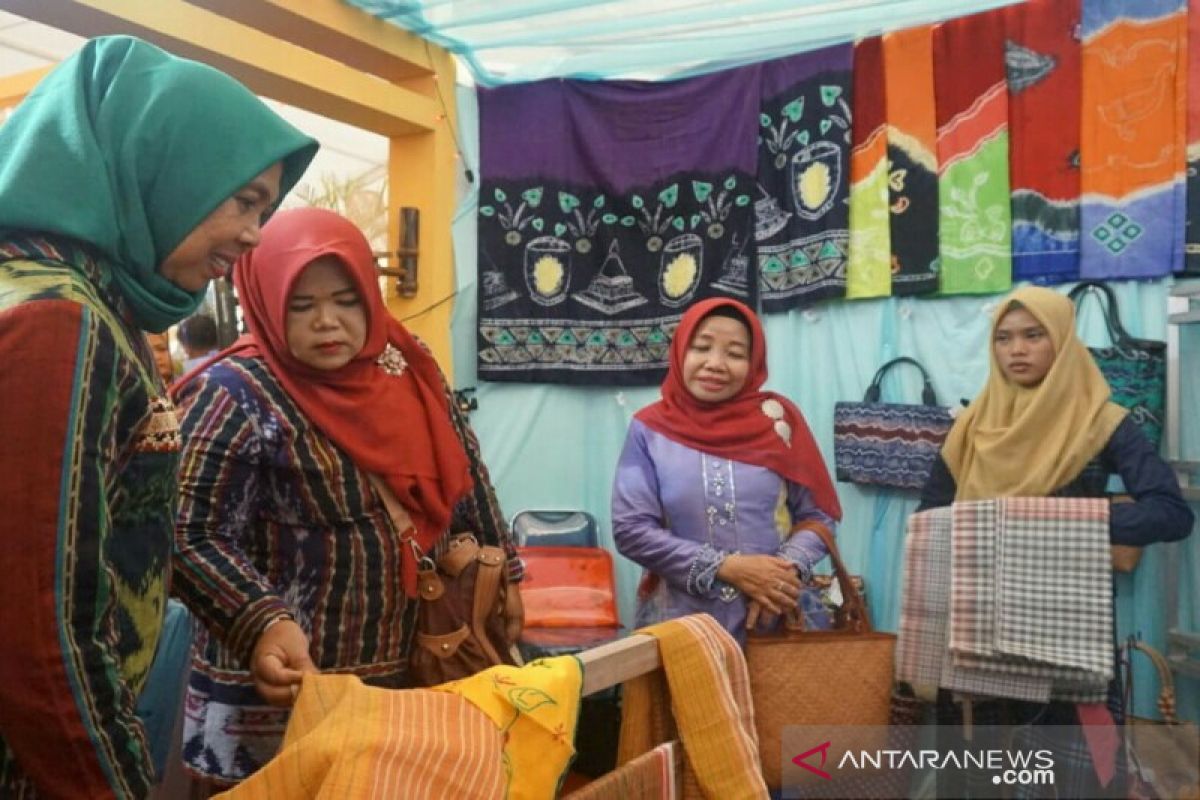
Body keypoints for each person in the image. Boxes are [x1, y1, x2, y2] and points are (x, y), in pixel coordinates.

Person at [0, 35, 317, 799]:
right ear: (160, 164)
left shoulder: (86, 301)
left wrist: (250, 616)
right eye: (244, 200)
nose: (254, 234)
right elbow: (40, 631)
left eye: (266, 211)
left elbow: (114, 518)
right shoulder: (57, 323)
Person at [170, 207, 524, 790]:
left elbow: (466, 477)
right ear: (265, 301)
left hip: (412, 676)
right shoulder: (234, 394)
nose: (327, 322)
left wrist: (505, 573)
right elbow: (187, 531)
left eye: (346, 300)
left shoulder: (405, 367)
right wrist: (261, 620)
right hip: (286, 694)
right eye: (301, 307)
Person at [916, 285, 1194, 798]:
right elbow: (930, 518)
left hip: (1067, 627)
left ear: (1063, 342)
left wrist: (1065, 524)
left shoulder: (1102, 423)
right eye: (1003, 338)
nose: (1016, 350)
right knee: (979, 769)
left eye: (1033, 335)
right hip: (979, 626)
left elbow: (1172, 514)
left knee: (1066, 772)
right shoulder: (973, 428)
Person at [611, 297, 842, 642]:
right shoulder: (650, 430)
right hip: (680, 622)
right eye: (701, 347)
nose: (715, 364)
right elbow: (631, 529)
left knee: (777, 698)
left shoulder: (778, 422)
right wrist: (726, 567)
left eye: (735, 354)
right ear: (679, 353)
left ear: (754, 363)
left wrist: (782, 573)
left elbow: (819, 515)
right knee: (684, 697)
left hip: (772, 618)